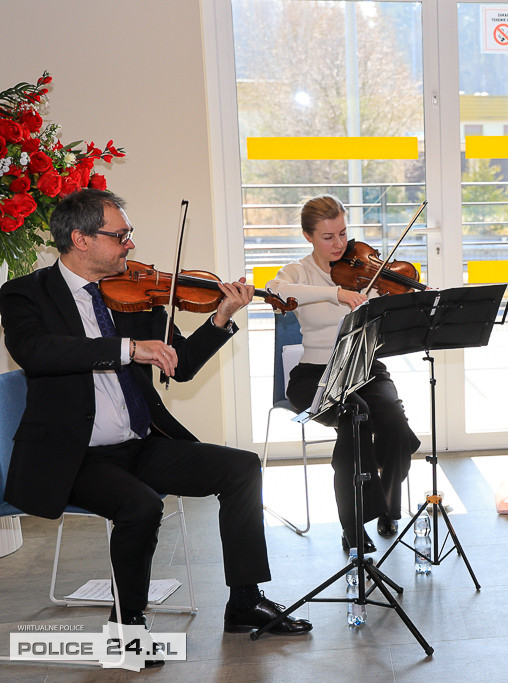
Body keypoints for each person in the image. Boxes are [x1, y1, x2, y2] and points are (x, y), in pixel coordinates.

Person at [0, 189, 312, 651]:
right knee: (142, 507)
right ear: (81, 239)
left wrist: (221, 317)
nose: (130, 244)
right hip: (75, 455)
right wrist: (127, 349)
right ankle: (127, 630)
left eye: (130, 234)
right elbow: (35, 351)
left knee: (242, 468)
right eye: (120, 235)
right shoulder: (25, 293)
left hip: (141, 444)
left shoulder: (136, 292)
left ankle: (245, 601)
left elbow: (178, 365)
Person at [267, 195, 419, 553]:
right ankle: (353, 525)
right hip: (314, 375)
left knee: (397, 430)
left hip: (366, 368)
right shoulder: (298, 272)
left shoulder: (364, 270)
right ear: (308, 236)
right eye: (327, 237)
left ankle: (385, 504)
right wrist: (335, 293)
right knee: (355, 418)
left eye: (342, 233)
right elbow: (275, 291)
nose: (339, 244)